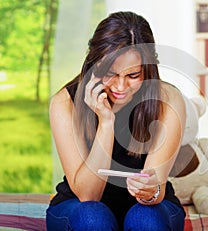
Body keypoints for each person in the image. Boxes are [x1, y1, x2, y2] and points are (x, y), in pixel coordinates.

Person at [46, 11, 186, 231]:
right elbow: (88, 194)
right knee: (92, 216)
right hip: (80, 206)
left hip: (149, 208)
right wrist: (106, 122)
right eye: (111, 73)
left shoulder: (168, 100)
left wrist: (151, 191)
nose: (120, 87)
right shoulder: (65, 103)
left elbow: (155, 188)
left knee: (145, 219)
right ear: (95, 64)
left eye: (133, 76)